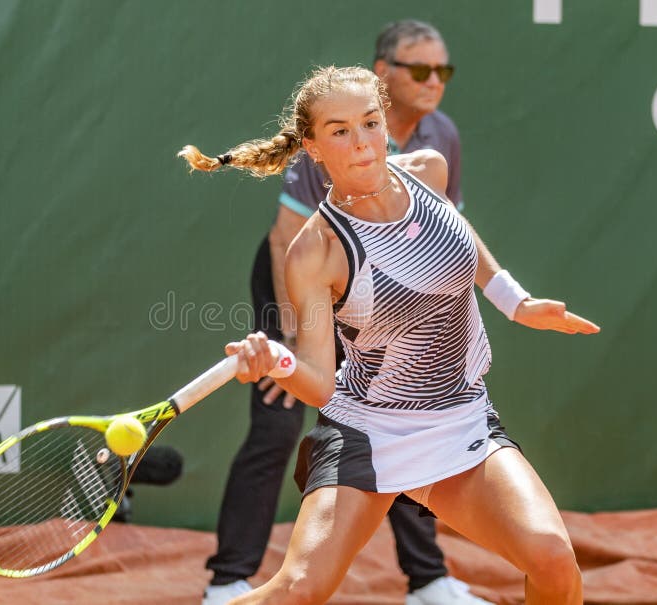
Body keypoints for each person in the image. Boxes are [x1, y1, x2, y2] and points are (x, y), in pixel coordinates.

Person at [179, 64, 599, 605]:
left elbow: (460, 237)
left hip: (460, 418)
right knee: (300, 589)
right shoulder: (316, 251)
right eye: (339, 131)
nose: (362, 144)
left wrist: (514, 301)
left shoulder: (428, 170)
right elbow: (320, 384)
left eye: (371, 123)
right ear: (312, 146)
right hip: (368, 430)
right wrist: (276, 362)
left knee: (553, 561)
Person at [202, 20, 491, 605]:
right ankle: (229, 579)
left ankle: (427, 578)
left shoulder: (442, 138)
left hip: (392, 280)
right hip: (306, 272)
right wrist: (292, 346)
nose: (434, 81)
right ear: (385, 74)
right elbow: (289, 238)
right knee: (279, 418)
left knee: (402, 408)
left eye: (443, 70)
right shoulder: (333, 137)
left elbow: (445, 232)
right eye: (419, 69)